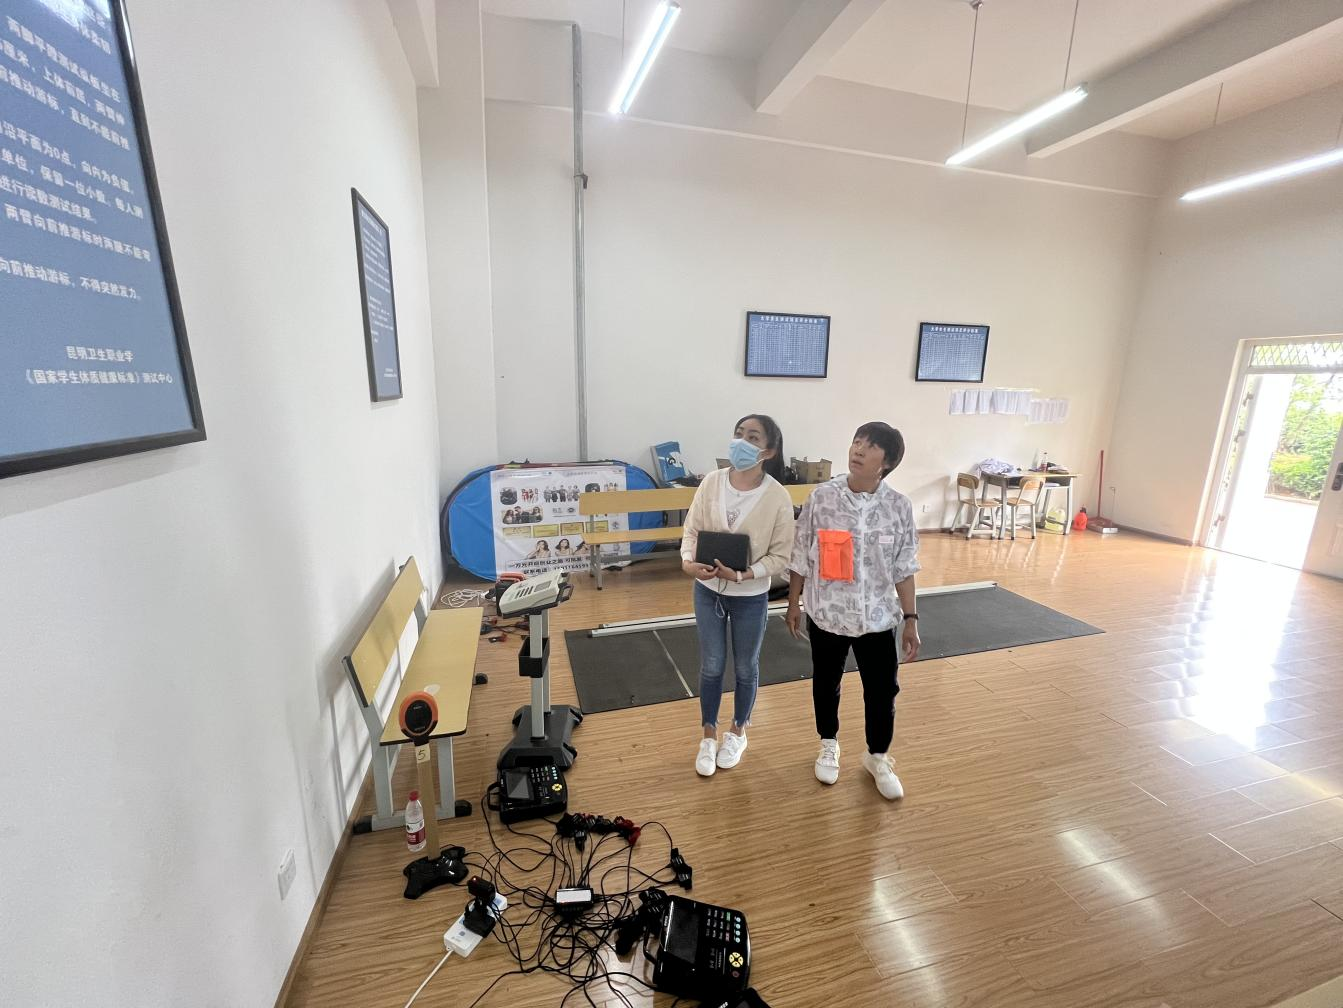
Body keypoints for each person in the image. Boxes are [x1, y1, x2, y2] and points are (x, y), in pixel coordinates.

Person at [786, 422, 921, 801]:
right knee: (826, 682)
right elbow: (800, 553)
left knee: (882, 690)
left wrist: (911, 620)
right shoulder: (822, 498)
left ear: (887, 462)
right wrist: (794, 602)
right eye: (856, 442)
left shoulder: (898, 507)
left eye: (870, 446)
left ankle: (877, 757)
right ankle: (828, 743)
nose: (858, 450)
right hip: (828, 613)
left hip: (877, 617)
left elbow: (904, 568)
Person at [681, 415, 796, 777]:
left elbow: (781, 556)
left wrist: (744, 574)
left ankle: (737, 731)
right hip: (708, 591)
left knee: (746, 667)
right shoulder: (711, 483)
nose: (741, 442)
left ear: (769, 451)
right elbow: (691, 531)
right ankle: (708, 734)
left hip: (750, 596)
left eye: (752, 437)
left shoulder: (777, 496)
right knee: (712, 665)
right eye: (738, 434)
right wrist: (688, 563)